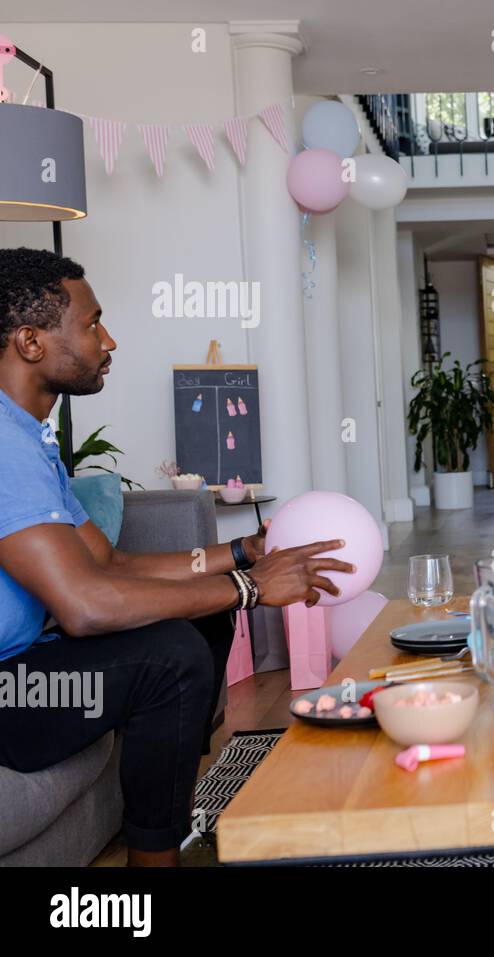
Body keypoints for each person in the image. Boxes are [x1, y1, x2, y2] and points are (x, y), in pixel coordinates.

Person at [0, 247, 351, 866]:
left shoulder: (28, 438)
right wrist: (251, 588)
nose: (109, 339)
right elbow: (84, 605)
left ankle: (168, 814)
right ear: (30, 341)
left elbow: (106, 564)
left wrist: (243, 553)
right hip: (12, 691)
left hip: (27, 665)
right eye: (91, 324)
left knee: (199, 617)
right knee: (170, 654)